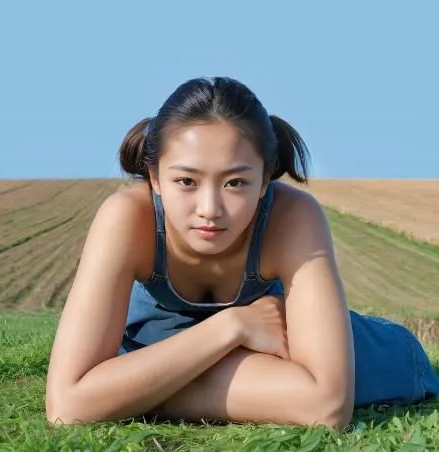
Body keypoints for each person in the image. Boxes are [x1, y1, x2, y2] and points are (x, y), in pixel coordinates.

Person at [45, 77, 439, 430]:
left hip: (278, 342)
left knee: (379, 369)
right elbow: (67, 404)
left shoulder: (292, 216)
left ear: (265, 178)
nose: (209, 208)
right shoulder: (128, 217)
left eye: (235, 182)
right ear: (154, 177)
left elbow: (327, 407)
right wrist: (231, 326)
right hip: (228, 347)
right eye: (186, 180)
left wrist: (131, 392)